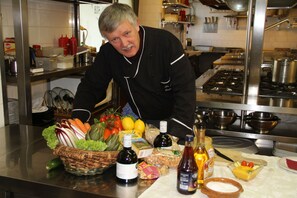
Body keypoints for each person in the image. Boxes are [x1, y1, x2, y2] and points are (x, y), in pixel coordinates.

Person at [72, 3, 196, 140]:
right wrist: (78, 122)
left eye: (127, 33)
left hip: (174, 118)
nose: (124, 44)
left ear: (136, 24)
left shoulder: (166, 43)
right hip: (138, 119)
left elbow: (185, 89)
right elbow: (90, 87)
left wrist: (178, 129)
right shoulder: (108, 54)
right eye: (115, 39)